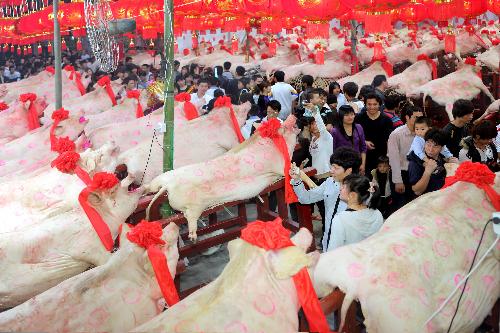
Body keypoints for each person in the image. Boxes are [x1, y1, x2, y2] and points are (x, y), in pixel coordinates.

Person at [290, 147, 362, 251]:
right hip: (328, 240)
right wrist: (297, 180)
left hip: (349, 247)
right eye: (331, 166)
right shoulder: (329, 182)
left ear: (349, 171)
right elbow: (305, 198)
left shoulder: (362, 190)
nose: (331, 171)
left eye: (336, 168)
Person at [327, 174, 384, 251]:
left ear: (352, 195)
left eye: (343, 187)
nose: (340, 189)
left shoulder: (341, 219)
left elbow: (333, 250)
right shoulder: (377, 213)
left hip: (349, 261)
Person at [301, 101, 334, 231]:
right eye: (312, 124)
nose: (314, 126)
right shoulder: (313, 140)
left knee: (328, 209)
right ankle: (327, 233)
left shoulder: (327, 137)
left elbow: (321, 126)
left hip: (326, 177)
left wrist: (316, 112)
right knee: (321, 208)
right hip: (316, 179)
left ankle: (329, 234)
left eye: (316, 124)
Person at [387, 104, 424, 211]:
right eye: (416, 117)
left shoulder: (423, 133)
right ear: (407, 117)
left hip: (417, 174)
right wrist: (398, 181)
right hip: (402, 174)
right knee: (400, 208)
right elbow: (393, 160)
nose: (419, 120)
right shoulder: (397, 134)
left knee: (415, 207)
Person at [356, 93, 393, 175]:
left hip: (381, 158)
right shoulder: (359, 118)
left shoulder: (386, 120)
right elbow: (354, 136)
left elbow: (389, 140)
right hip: (364, 158)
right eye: (369, 104)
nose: (372, 107)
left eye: (375, 104)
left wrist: (388, 157)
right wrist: (364, 142)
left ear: (379, 104)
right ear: (365, 104)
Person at [408, 128, 448, 196]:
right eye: (428, 144)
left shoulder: (443, 158)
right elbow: (417, 191)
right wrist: (427, 172)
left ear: (442, 148)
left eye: (435, 146)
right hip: (427, 201)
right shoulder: (415, 162)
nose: (430, 149)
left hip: (443, 196)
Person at [331, 105, 367, 173]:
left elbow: (363, 147)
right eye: (346, 115)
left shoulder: (358, 127)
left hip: (358, 164)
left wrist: (363, 164)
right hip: (342, 166)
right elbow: (333, 151)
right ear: (341, 116)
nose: (350, 117)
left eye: (352, 114)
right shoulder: (335, 131)